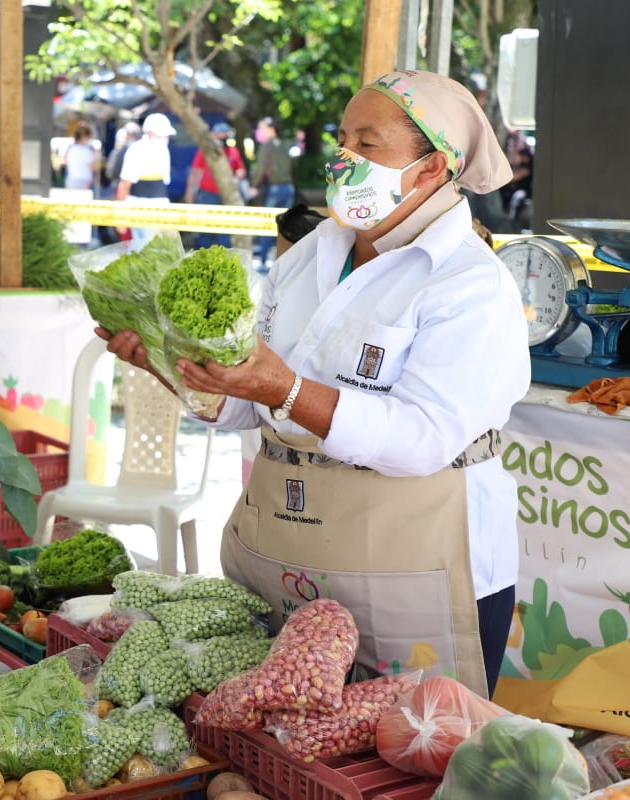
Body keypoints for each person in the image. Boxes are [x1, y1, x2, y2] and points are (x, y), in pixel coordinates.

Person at [100, 69, 528, 699]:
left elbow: (423, 438)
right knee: (280, 740)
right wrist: (175, 370)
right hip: (289, 554)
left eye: (368, 143)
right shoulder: (306, 257)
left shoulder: (470, 285)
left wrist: (287, 389)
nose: (344, 159)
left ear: (432, 168)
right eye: (341, 139)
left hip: (418, 565)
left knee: (410, 761)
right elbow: (250, 410)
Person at [114, 113, 176, 248]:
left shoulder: (164, 150)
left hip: (160, 207)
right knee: (144, 252)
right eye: (161, 134)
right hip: (139, 208)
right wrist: (120, 217)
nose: (165, 138)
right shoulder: (136, 150)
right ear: (149, 132)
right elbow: (124, 184)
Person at [184, 121, 248, 249]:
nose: (222, 139)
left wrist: (237, 177)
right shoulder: (205, 151)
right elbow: (195, 172)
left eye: (224, 135)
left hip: (225, 196)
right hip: (207, 195)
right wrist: (189, 192)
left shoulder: (233, 151)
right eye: (219, 135)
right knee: (204, 230)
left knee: (224, 232)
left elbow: (241, 170)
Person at [248, 117, 296, 269]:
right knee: (285, 226)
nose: (259, 132)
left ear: (271, 129)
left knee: (267, 224)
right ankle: (284, 262)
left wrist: (254, 185)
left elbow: (261, 169)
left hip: (274, 189)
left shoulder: (267, 146)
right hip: (288, 188)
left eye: (261, 128)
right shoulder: (284, 145)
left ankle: (263, 260)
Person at [63, 121, 99, 192]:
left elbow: (66, 162)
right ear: (85, 136)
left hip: (71, 179)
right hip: (84, 181)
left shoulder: (70, 148)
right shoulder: (87, 150)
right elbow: (93, 167)